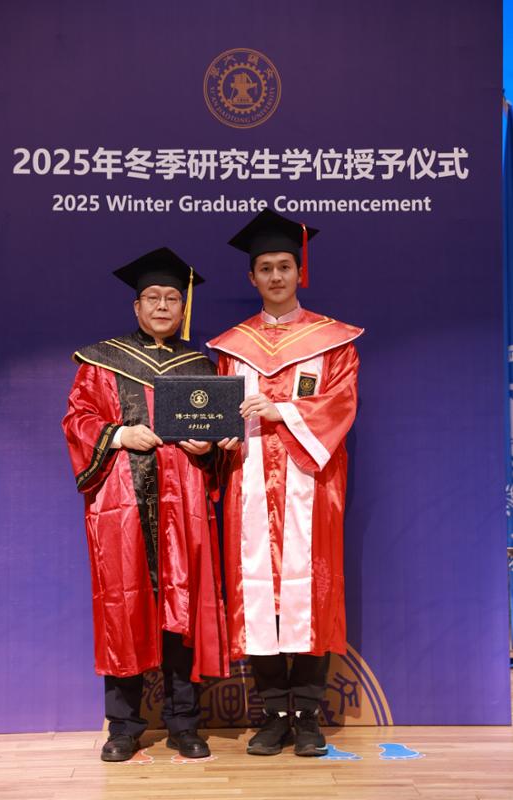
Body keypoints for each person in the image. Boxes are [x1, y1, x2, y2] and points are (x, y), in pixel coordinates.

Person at [62, 247, 229, 762]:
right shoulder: (101, 361)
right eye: (152, 298)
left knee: (184, 605)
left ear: (183, 307)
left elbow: (219, 442)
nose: (161, 306)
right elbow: (78, 419)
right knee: (123, 606)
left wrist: (208, 447)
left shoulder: (200, 366)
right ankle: (123, 727)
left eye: (171, 298)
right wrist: (118, 434)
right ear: (136, 306)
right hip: (123, 505)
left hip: (185, 503)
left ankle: (184, 723)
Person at [207, 209, 363, 757]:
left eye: (284, 266)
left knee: (311, 590)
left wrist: (280, 411)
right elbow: (220, 414)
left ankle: (309, 715)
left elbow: (341, 405)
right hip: (248, 485)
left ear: (300, 272)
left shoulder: (333, 341)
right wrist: (219, 436)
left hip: (310, 487)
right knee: (255, 594)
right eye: (265, 268)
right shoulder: (232, 347)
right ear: (251, 277)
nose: (275, 276)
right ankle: (273, 714)